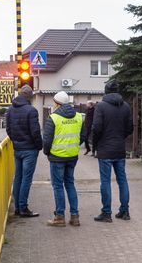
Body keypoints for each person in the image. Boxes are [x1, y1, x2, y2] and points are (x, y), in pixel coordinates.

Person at [92, 81, 133, 222]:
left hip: (105, 149)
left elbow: (96, 128)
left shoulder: (101, 106)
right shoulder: (126, 106)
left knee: (105, 181)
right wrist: (121, 137)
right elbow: (130, 128)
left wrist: (96, 144)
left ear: (106, 91)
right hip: (120, 149)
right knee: (122, 180)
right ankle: (125, 211)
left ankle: (106, 213)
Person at [44, 91, 86, 227]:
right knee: (70, 184)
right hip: (72, 156)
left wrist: (47, 153)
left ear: (57, 103)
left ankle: (59, 217)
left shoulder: (54, 118)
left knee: (57, 186)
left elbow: (47, 140)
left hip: (57, 157)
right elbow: (84, 135)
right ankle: (75, 217)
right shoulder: (79, 116)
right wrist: (73, 146)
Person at [6, 84, 43, 217]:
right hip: (30, 149)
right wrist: (39, 146)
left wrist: (15, 141)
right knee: (26, 179)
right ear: (30, 96)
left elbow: (8, 129)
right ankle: (23, 208)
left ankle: (17, 207)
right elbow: (35, 131)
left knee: (18, 177)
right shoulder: (31, 110)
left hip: (17, 148)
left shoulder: (11, 109)